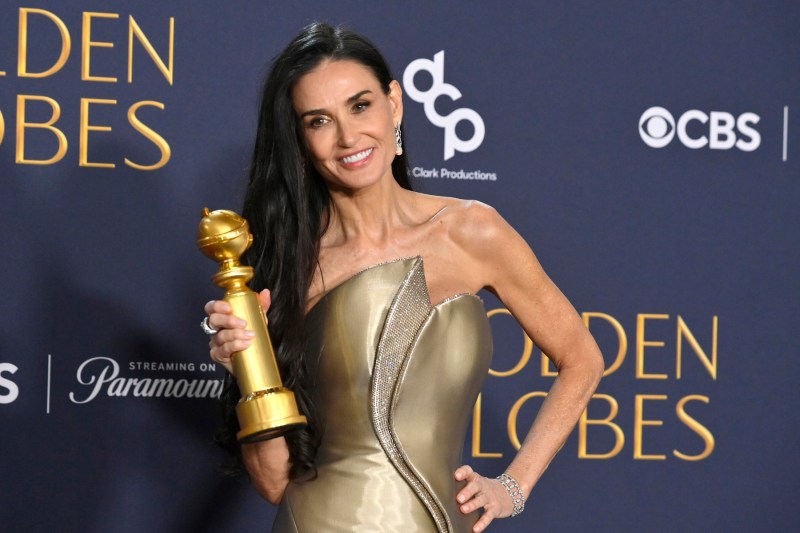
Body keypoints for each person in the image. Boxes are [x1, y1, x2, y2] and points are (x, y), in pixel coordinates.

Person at [202, 22, 603, 533]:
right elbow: (276, 484)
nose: (348, 137)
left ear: (394, 103)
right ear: (300, 141)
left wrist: (513, 486)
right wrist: (248, 370)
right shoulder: (291, 273)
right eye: (319, 121)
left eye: (360, 105)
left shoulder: (471, 231)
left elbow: (582, 359)